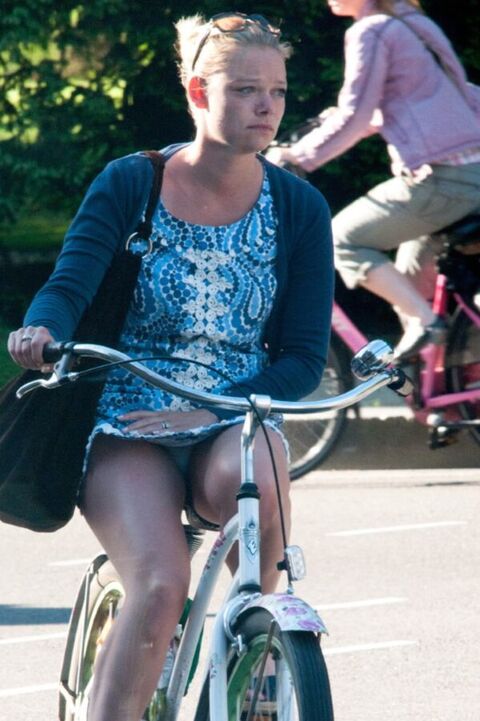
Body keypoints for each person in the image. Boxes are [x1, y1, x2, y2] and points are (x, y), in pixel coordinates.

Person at [8, 12, 334, 721]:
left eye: (276, 91)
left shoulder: (299, 207)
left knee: (260, 479)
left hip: (236, 410)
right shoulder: (133, 182)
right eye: (245, 89)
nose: (266, 106)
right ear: (197, 92)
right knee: (160, 584)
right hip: (130, 412)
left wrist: (212, 407)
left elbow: (304, 357)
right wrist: (43, 329)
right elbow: (70, 285)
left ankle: (259, 659)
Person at [266, 0, 480, 360]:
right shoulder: (413, 22)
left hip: (443, 179)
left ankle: (428, 325)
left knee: (341, 239)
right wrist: (328, 125)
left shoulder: (372, 31)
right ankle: (446, 379)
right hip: (472, 172)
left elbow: (356, 114)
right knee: (409, 280)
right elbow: (419, 102)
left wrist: (297, 158)